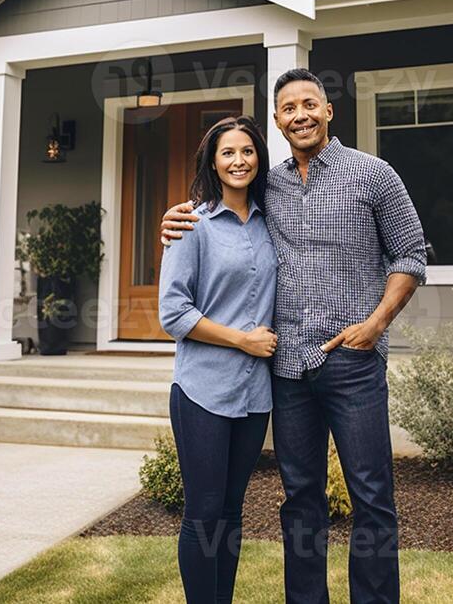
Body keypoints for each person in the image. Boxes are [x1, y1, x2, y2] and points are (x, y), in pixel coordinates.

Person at [161, 69, 427, 604]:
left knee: (371, 496)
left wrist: (374, 325)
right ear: (278, 122)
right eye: (288, 108)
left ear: (329, 110)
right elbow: (215, 217)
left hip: (351, 361)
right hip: (286, 370)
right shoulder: (268, 185)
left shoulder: (373, 174)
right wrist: (171, 220)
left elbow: (412, 256)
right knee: (301, 498)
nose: (300, 114)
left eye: (310, 103)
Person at [158, 114, 278, 604]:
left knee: (231, 510)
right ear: (213, 160)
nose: (238, 161)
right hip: (202, 389)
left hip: (255, 395)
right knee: (203, 510)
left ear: (259, 159)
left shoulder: (273, 222)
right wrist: (242, 341)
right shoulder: (193, 224)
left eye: (247, 151)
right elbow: (172, 312)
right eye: (227, 152)